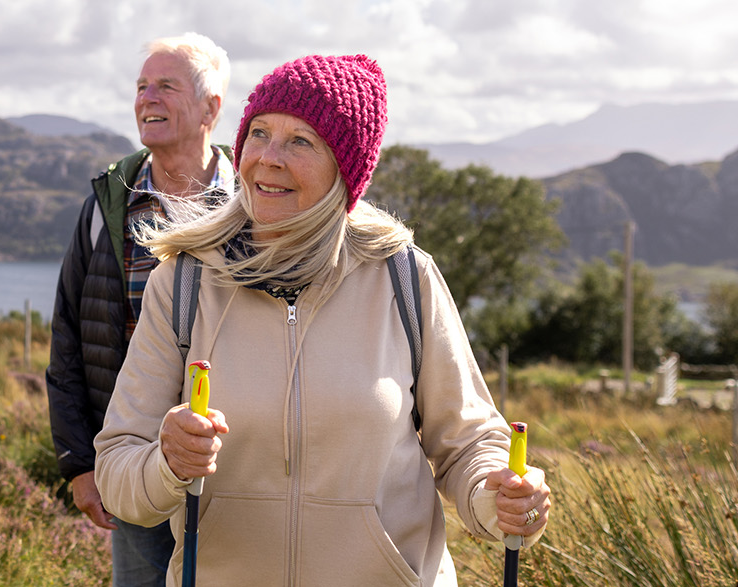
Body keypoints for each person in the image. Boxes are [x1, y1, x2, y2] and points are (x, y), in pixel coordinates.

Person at [93, 54, 551, 586]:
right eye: (259, 133)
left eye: (301, 142)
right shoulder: (184, 282)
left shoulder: (405, 277)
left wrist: (500, 496)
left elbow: (468, 442)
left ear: (346, 168)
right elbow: (118, 468)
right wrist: (167, 463)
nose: (268, 158)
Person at [47, 33, 232, 586]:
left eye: (166, 86)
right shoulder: (107, 205)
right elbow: (68, 340)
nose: (147, 98)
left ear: (210, 109)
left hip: (232, 466)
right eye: (141, 86)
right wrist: (81, 463)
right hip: (131, 461)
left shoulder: (253, 203)